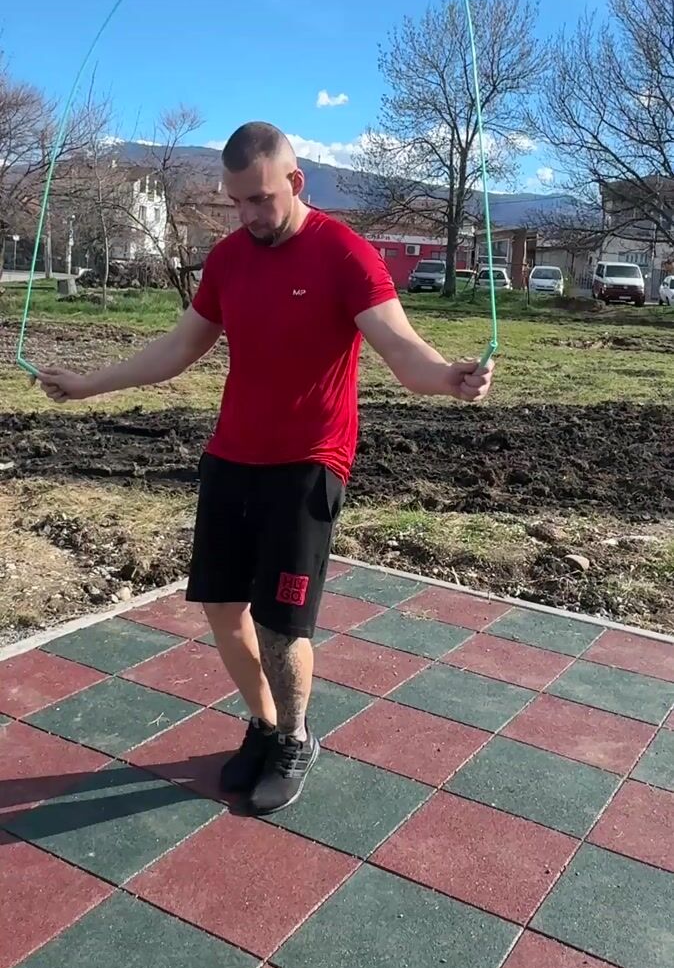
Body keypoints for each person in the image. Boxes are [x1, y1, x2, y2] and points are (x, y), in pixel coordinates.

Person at [37, 122, 494, 816]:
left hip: (308, 463)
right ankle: (266, 722)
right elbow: (177, 349)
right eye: (236, 202)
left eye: (260, 199)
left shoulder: (344, 254)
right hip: (231, 456)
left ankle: (297, 739)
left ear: (295, 183)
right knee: (223, 608)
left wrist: (448, 377)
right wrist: (87, 384)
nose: (248, 215)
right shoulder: (228, 260)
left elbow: (402, 351)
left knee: (281, 626)